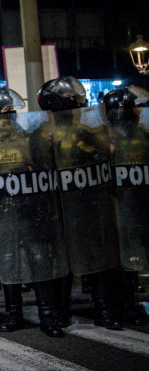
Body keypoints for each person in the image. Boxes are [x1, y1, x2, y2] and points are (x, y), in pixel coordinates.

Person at [0, 86, 67, 336]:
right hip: (2, 210)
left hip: (29, 207)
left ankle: (48, 315)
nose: (11, 116)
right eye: (5, 111)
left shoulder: (28, 139)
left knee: (38, 258)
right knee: (9, 261)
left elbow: (43, 167)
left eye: (11, 112)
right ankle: (14, 315)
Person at [38, 76, 122, 330]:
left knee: (95, 258)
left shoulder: (85, 131)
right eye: (71, 98)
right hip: (58, 207)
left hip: (86, 203)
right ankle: (60, 312)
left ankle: (104, 310)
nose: (78, 101)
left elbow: (101, 158)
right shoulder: (41, 134)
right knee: (62, 262)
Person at [101, 85, 149, 326]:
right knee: (118, 258)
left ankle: (130, 303)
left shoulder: (141, 133)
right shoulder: (107, 137)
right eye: (135, 107)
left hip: (137, 202)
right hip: (116, 203)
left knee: (133, 256)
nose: (140, 112)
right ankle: (117, 305)